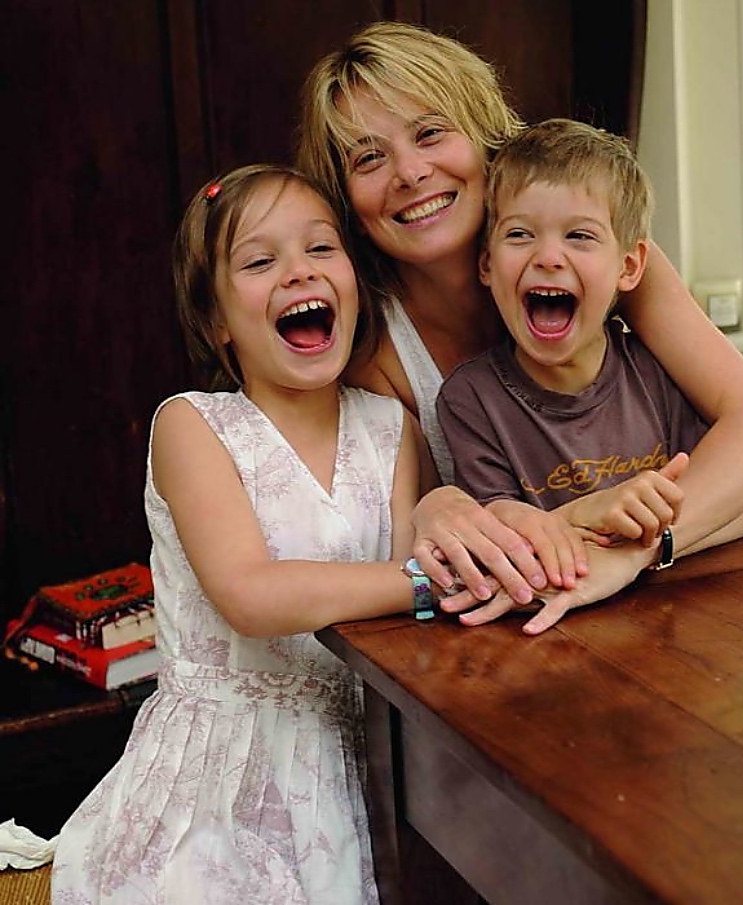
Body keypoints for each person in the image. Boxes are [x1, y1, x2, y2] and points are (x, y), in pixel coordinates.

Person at [50, 164, 462, 905]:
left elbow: (414, 619)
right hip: (221, 769)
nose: (298, 271)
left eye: (320, 248)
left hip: (360, 760)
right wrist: (424, 581)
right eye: (259, 260)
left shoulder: (392, 431)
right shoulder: (194, 425)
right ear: (216, 320)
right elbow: (250, 595)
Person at [297, 20, 743, 608]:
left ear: (486, 139)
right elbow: (446, 542)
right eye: (369, 158)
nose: (409, 173)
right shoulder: (370, 348)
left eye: (430, 133)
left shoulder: (595, 257)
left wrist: (631, 554)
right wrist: (439, 509)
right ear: (348, 204)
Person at [436, 118, 743, 633]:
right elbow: (503, 547)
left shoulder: (659, 373)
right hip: (550, 635)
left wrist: (633, 551)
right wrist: (595, 512)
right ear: (486, 264)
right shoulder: (469, 399)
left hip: (677, 621)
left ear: (630, 267)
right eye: (519, 234)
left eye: (580, 236)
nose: (548, 257)